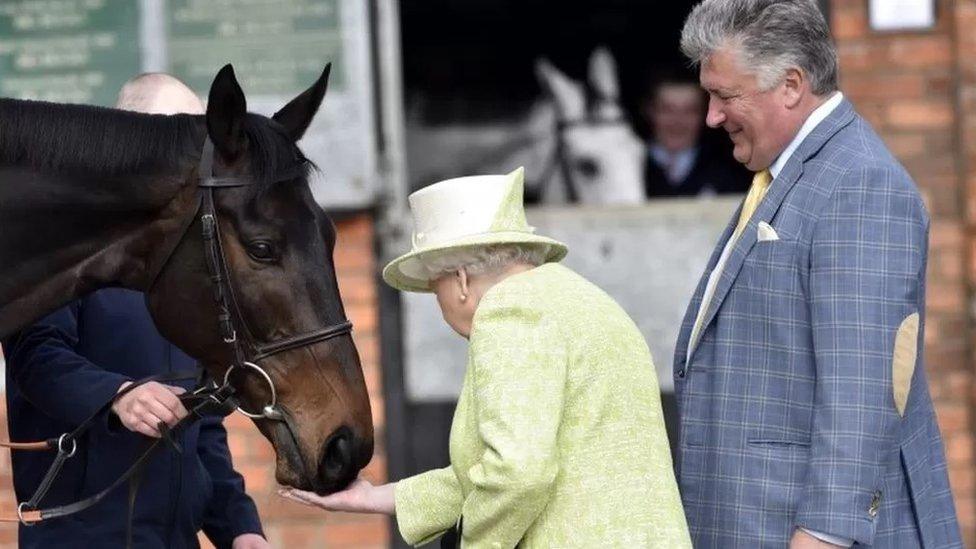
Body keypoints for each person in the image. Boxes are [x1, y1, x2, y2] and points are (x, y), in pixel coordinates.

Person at [673, 1, 961, 547]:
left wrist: (823, 535)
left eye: (726, 96)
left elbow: (863, 393)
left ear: (790, 85)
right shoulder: (796, 172)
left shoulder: (858, 185)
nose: (711, 116)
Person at [280, 168, 691, 547]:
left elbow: (517, 474)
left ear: (460, 280)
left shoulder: (509, 311)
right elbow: (501, 472)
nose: (438, 304)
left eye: (432, 286)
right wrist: (374, 498)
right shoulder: (584, 300)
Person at [1, 74, 269, 549]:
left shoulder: (187, 266)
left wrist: (240, 528)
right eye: (175, 134)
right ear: (131, 133)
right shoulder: (63, 244)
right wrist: (118, 396)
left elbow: (202, 420)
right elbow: (34, 360)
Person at [640, 69, 750, 197]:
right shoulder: (628, 168)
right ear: (649, 111)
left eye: (690, 111)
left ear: (705, 114)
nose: (678, 121)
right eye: (667, 110)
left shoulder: (731, 169)